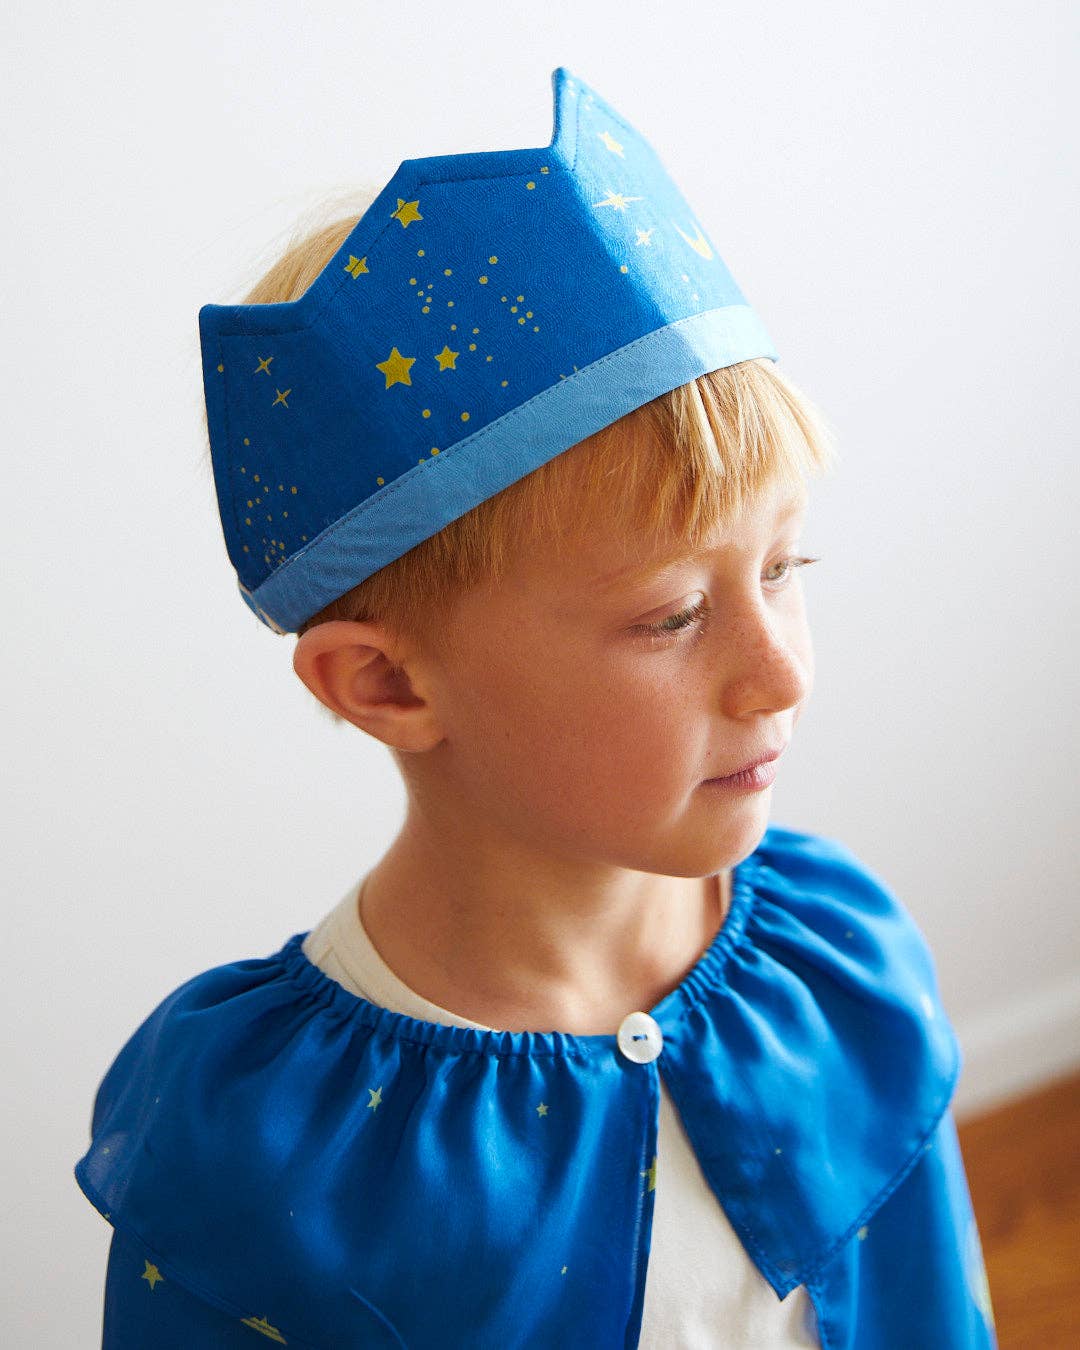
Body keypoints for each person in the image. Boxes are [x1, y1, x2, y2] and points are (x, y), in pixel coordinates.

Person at [74, 65, 997, 1348]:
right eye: (674, 615)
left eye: (785, 569)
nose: (783, 672)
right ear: (388, 683)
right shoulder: (261, 1152)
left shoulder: (843, 966)